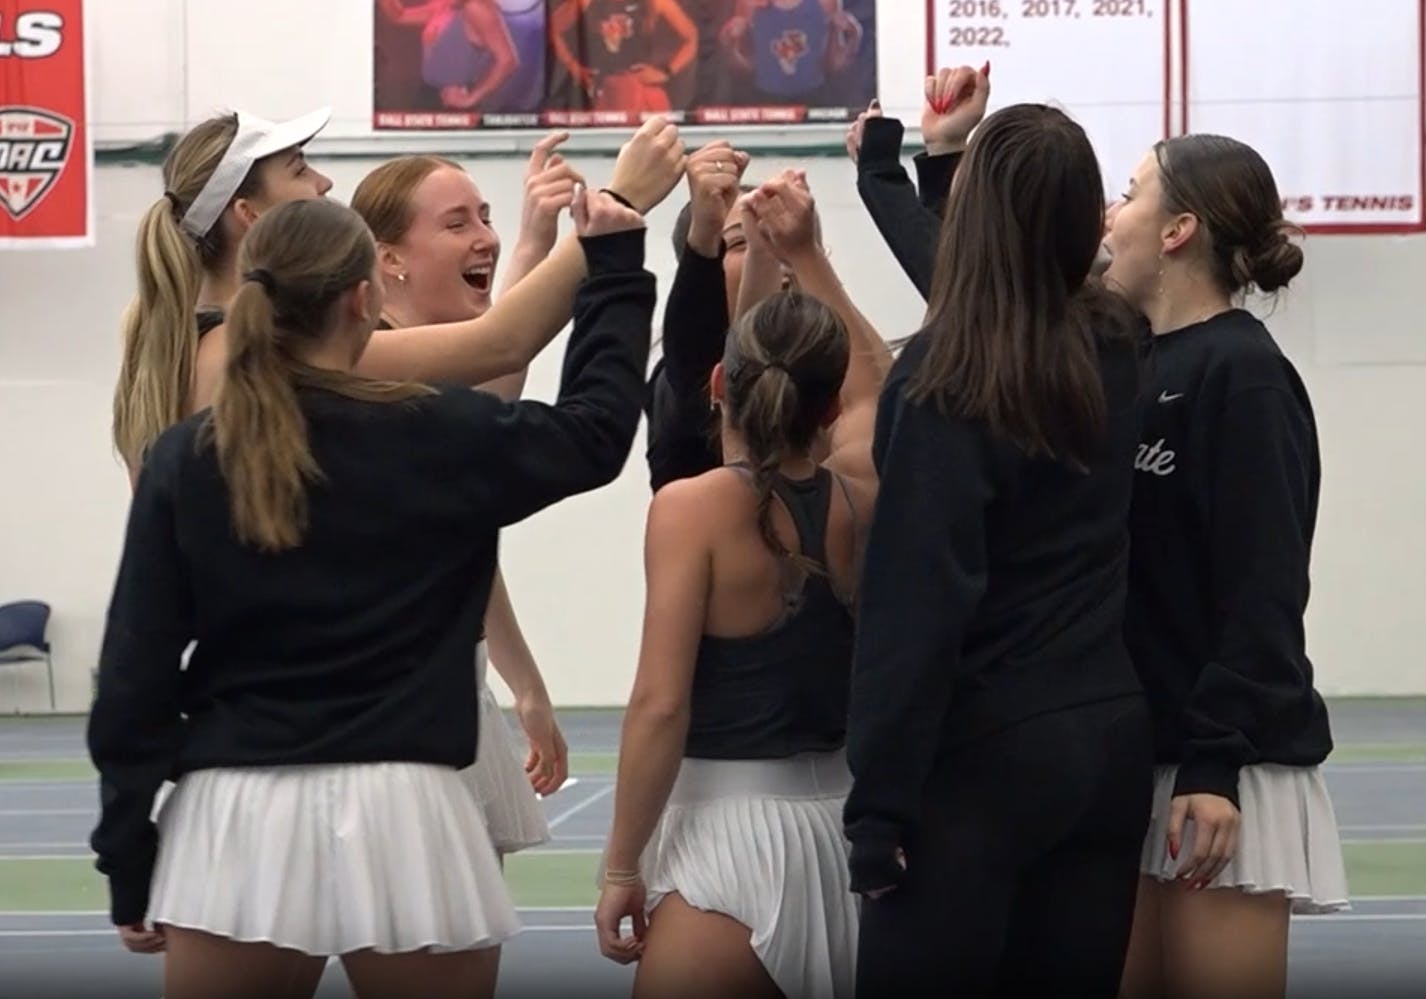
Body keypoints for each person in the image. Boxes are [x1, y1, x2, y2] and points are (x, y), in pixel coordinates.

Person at [87, 189, 655, 999]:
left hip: (236, 813)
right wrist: (616, 266)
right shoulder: (441, 430)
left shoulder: (188, 457)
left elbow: (134, 677)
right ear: (364, 299)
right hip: (407, 807)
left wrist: (128, 852)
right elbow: (595, 432)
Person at [842, 104, 1153, 995]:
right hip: (1106, 740)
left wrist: (879, 806)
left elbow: (915, 603)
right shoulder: (1116, 346)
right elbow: (1003, 283)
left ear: (973, 219)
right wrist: (917, 169)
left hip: (984, 753)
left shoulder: (947, 378)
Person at [593, 172, 889, 999]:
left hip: (727, 839)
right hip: (843, 829)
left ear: (720, 385)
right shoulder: (863, 493)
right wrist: (804, 254)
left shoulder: (690, 510)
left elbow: (660, 703)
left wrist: (621, 864)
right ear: (828, 407)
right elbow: (879, 384)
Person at [112, 109, 686, 484]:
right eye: (300, 170)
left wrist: (535, 239)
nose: (324, 183)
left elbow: (487, 381)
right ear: (250, 214)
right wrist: (618, 203)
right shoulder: (260, 349)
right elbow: (501, 345)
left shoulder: (189, 345)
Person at [1102, 134, 1349, 999]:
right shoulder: (1126, 360)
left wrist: (1213, 765)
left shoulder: (1244, 374)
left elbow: (1263, 590)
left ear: (1178, 230)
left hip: (1223, 770)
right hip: (1139, 759)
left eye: (1128, 193)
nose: (1109, 217)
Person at [351, 142, 583, 863]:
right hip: (383, 716)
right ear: (389, 258)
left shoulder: (428, 370)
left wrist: (525, 684)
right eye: (457, 224)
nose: (483, 236)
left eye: (485, 217)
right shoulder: (370, 377)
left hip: (449, 688)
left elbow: (463, 536)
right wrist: (595, 232)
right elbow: (502, 359)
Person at [548, 0, 698, 113]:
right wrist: (574, 68)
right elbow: (553, 29)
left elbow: (691, 36)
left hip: (640, 86)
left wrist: (666, 72)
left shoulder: (654, 2)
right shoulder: (586, 2)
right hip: (603, 90)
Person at [719, 0, 863, 102]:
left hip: (814, 98)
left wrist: (854, 35)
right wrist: (728, 42)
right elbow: (744, 67)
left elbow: (835, 64)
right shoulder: (750, 4)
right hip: (763, 100)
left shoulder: (825, 2)